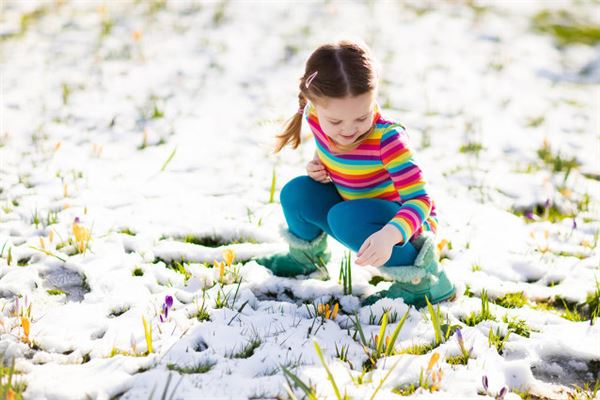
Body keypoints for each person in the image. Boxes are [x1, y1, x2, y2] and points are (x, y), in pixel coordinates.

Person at [253, 39, 456, 308]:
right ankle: (306, 258)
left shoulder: (389, 139)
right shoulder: (315, 115)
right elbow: (332, 151)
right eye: (336, 122)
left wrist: (390, 234)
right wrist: (319, 164)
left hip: (404, 224)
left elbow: (420, 201)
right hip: (354, 208)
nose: (349, 130)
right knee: (297, 193)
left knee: (343, 217)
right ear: (314, 103)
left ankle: (426, 282)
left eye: (361, 117)